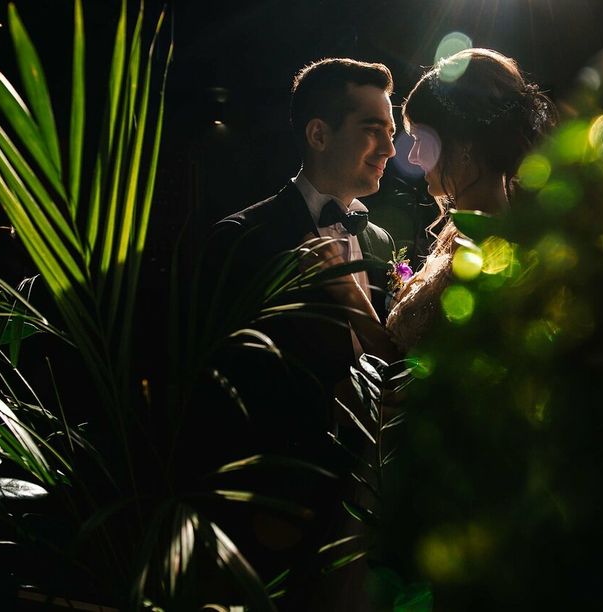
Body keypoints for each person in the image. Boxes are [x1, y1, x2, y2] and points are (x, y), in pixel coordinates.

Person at [207, 57, 397, 610]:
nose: (390, 148)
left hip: (366, 500)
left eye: (391, 131)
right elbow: (221, 386)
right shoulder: (245, 237)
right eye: (373, 129)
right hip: (276, 509)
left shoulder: (381, 242)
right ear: (319, 134)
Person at [385, 48, 556, 351]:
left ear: (462, 145)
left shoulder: (490, 251)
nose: (412, 156)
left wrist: (350, 299)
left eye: (421, 139)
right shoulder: (458, 232)